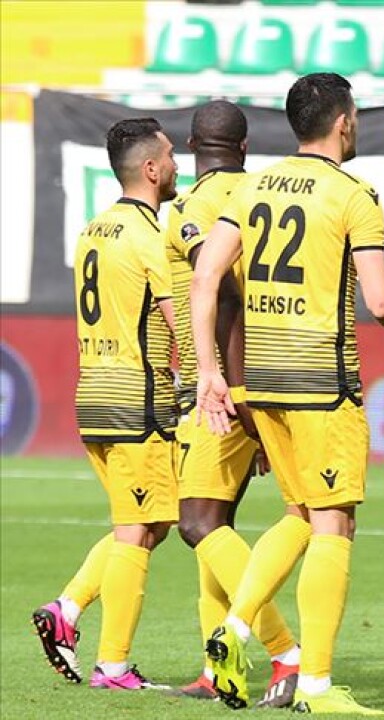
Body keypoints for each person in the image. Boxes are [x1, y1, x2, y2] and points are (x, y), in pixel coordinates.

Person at [191, 73, 384, 715]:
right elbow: (382, 302)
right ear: (343, 122)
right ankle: (316, 686)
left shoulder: (252, 186)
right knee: (335, 522)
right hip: (322, 383)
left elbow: (205, 275)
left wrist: (209, 371)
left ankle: (235, 627)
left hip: (263, 382)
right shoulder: (354, 195)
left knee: (301, 514)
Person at [32, 117, 179, 690]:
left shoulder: (93, 230)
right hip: (136, 398)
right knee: (139, 529)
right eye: (170, 156)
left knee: (148, 524)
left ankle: (67, 611)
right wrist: (206, 379)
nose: (176, 165)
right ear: (151, 169)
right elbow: (176, 321)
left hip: (93, 393)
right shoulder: (149, 235)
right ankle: (111, 665)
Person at [164, 100, 302, 707]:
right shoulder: (261, 193)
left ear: (192, 146)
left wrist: (228, 385)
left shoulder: (193, 206)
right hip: (275, 375)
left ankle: (284, 653)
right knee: (215, 525)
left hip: (221, 385)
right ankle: (217, 670)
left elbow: (220, 289)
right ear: (243, 148)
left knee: (196, 523)